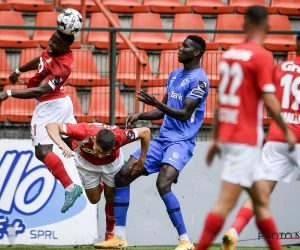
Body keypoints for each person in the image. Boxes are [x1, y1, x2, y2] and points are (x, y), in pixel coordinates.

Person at [195, 5, 296, 250]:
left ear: (243, 26)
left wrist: (216, 137)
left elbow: (221, 101)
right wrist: (285, 129)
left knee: (261, 201)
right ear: (268, 29)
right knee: (225, 204)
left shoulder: (229, 54)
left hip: (231, 136)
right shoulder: (261, 55)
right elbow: (270, 100)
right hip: (244, 140)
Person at [94, 35, 209, 250]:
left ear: (196, 53)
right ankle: (119, 238)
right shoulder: (174, 75)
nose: (179, 48)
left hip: (181, 143)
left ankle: (185, 241)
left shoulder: (199, 81)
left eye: (185, 47)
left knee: (163, 183)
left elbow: (184, 113)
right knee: (122, 176)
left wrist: (156, 102)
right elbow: (162, 110)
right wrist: (140, 116)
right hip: (162, 139)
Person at [221, 34, 300, 250]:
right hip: (298, 137)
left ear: (296, 45)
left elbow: (265, 98)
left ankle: (234, 231)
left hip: (276, 137)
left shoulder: (281, 68)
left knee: (261, 193)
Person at [0, 29, 82, 213]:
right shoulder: (53, 51)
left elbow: (39, 91)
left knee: (42, 151)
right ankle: (107, 160)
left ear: (66, 48)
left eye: (54, 43)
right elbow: (41, 60)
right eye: (50, 40)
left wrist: (8, 93)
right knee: (76, 143)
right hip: (61, 102)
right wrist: (18, 70)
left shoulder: (63, 66)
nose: (50, 45)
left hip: (50, 107)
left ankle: (70, 188)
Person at [45, 122, 150, 241]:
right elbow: (51, 126)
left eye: (105, 152)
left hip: (111, 164)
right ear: (94, 139)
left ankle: (109, 233)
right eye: (98, 150)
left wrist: (142, 158)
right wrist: (61, 144)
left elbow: (145, 132)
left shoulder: (121, 136)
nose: (100, 156)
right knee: (94, 199)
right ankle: (100, 183)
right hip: (86, 164)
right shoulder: (83, 131)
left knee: (111, 198)